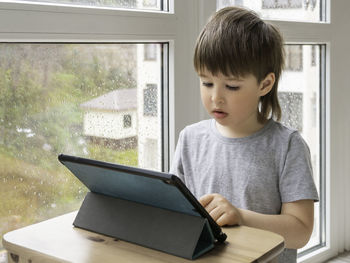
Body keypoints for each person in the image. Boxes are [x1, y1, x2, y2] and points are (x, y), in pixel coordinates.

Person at [170, 6, 319, 263]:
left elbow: (301, 231)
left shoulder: (287, 145)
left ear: (265, 84)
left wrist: (241, 216)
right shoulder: (189, 139)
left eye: (232, 86)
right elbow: (176, 214)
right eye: (206, 82)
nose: (215, 97)